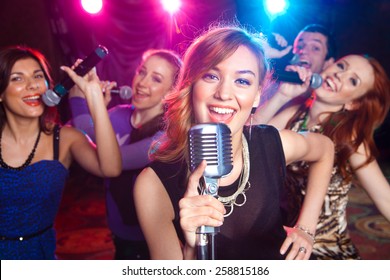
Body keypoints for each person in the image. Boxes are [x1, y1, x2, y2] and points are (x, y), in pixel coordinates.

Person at [133, 25, 335, 260]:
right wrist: (192, 248)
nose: (224, 93)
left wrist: (306, 228)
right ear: (191, 83)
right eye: (211, 76)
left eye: (242, 81)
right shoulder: (153, 184)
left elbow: (325, 149)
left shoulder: (270, 143)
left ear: (257, 94)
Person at [254, 54, 390, 259]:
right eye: (341, 66)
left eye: (353, 80)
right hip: (290, 237)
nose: (340, 75)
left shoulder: (348, 136)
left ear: (353, 103)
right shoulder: (295, 111)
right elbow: (251, 143)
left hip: (327, 249)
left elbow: (384, 197)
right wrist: (282, 95)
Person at [0, 45, 121, 260]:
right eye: (17, 79)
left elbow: (111, 168)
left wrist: (93, 96)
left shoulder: (66, 139)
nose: (32, 85)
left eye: (38, 76)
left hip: (41, 256)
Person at [69, 49, 182, 259]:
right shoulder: (118, 113)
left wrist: (78, 97)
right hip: (116, 230)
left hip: (149, 239)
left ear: (170, 92)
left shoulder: (165, 136)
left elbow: (115, 161)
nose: (142, 82)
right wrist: (97, 110)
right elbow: (75, 134)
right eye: (142, 72)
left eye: (156, 79)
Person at [258, 24, 337, 119]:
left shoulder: (317, 107)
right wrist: (261, 53)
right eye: (299, 46)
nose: (303, 51)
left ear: (328, 63)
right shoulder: (268, 83)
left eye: (315, 48)